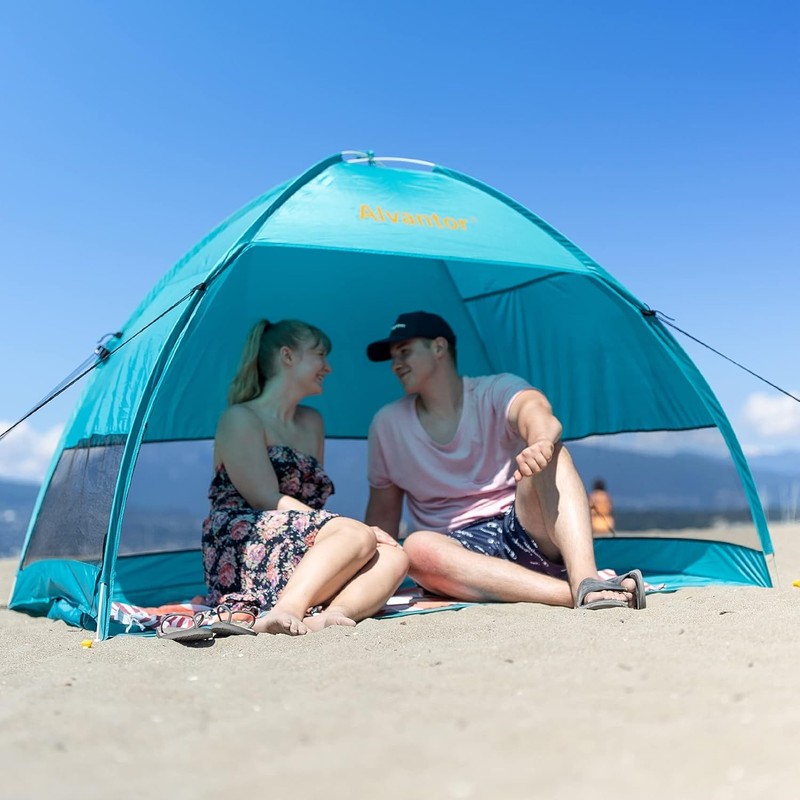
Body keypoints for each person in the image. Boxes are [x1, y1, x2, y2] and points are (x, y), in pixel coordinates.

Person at [364, 311, 645, 610]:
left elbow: (535, 410)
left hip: (522, 526)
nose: (395, 364)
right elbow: (383, 514)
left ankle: (586, 578)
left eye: (404, 351)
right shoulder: (386, 424)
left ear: (439, 347)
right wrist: (364, 577)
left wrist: (540, 442)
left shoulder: (495, 390)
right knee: (417, 548)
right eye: (393, 357)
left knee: (553, 452)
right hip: (455, 556)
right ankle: (582, 593)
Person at [202, 319, 409, 635]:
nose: (328, 367)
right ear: (287, 356)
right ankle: (286, 610)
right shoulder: (240, 418)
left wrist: (339, 530)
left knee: (395, 556)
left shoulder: (312, 422)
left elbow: (311, 509)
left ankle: (332, 613)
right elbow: (264, 498)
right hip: (243, 538)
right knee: (357, 535)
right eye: (320, 355)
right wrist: (344, 527)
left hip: (300, 534)